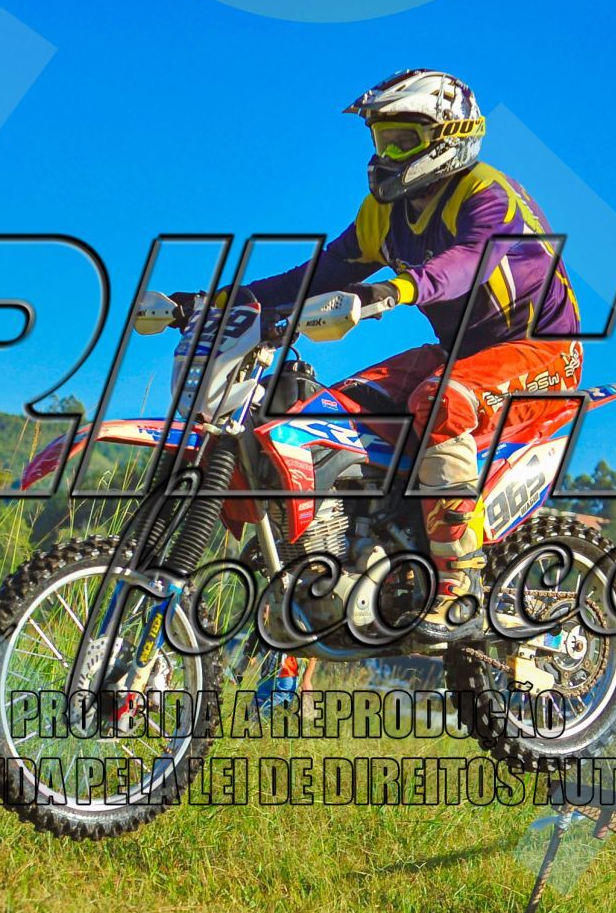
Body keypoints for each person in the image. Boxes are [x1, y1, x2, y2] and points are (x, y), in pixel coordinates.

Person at [171, 70, 583, 642]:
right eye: (381, 140)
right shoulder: (382, 212)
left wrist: (394, 290)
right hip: (457, 352)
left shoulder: (489, 194)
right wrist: (211, 302)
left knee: (443, 401)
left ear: (450, 137)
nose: (386, 155)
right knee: (325, 414)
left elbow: (468, 263)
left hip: (541, 351)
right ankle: (345, 555)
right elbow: (315, 275)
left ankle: (458, 582)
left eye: (402, 140)